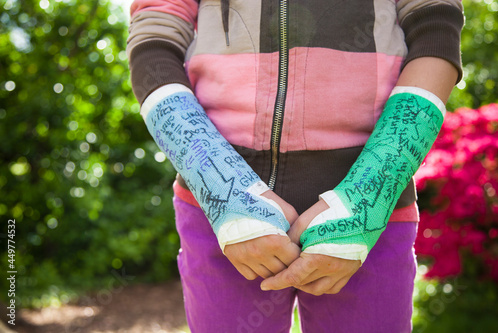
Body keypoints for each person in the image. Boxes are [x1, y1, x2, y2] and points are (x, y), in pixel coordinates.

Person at [127, 1, 464, 332]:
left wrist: (365, 200)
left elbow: (435, 28)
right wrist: (225, 192)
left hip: (373, 210)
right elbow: (154, 40)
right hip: (218, 213)